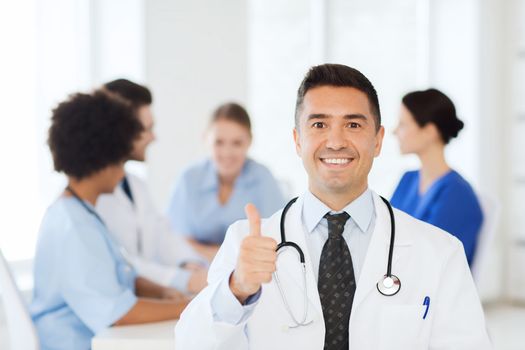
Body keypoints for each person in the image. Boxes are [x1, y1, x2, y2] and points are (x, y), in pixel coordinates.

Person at [174, 64, 491, 349]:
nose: (336, 141)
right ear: (298, 141)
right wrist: (237, 289)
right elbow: (191, 343)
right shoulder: (245, 243)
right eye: (319, 125)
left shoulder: (440, 252)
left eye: (353, 125)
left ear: (378, 140)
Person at [30, 91, 189, 350]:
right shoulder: (75, 228)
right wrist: (191, 306)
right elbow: (118, 313)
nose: (122, 169)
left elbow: (119, 277)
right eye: (121, 159)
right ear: (103, 160)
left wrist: (161, 292)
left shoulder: (81, 214)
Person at [95, 79, 208, 294]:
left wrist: (188, 264)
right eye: (147, 129)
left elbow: (162, 234)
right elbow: (119, 263)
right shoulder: (94, 196)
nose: (153, 137)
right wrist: (183, 280)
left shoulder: (136, 185)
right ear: (122, 130)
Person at [166, 102, 285, 260]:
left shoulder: (263, 178)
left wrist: (203, 249)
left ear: (249, 141)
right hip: (196, 269)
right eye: (219, 142)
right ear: (206, 139)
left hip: (250, 270)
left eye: (236, 143)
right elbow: (175, 242)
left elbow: (274, 241)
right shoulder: (189, 179)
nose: (227, 153)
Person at [391, 88, 483, 265]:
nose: (395, 131)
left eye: (403, 124)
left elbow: (435, 260)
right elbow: (385, 231)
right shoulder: (408, 179)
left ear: (429, 131)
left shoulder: (457, 194)